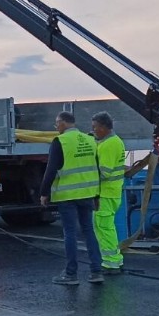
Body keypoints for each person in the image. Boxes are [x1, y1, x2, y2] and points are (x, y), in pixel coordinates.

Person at [40, 112, 103, 285]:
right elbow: (96, 169)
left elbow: (51, 170)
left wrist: (44, 193)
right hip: (88, 193)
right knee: (89, 231)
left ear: (62, 123)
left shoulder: (60, 141)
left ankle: (71, 274)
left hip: (67, 196)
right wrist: (97, 195)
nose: (56, 127)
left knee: (70, 233)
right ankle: (97, 271)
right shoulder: (90, 140)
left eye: (56, 124)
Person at [92, 112, 126, 274]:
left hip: (106, 193)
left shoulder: (109, 145)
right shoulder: (111, 142)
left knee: (104, 228)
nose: (94, 131)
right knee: (106, 227)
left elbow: (103, 172)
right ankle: (115, 260)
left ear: (104, 127)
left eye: (96, 127)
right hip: (111, 192)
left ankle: (111, 263)